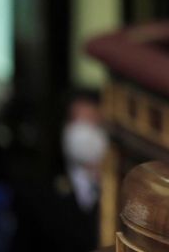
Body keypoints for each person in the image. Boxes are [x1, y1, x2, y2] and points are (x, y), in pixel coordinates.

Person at [11, 89, 108, 252]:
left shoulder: (119, 194)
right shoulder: (39, 193)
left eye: (90, 122)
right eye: (76, 122)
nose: (83, 133)